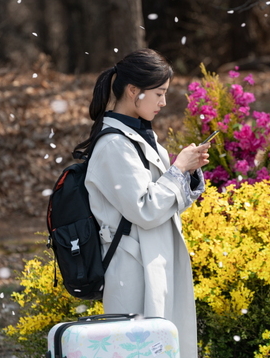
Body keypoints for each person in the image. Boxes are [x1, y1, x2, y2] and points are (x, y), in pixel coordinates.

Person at [74, 48, 210, 357]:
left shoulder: (140, 136)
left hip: (153, 259)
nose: (163, 102)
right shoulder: (112, 145)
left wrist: (186, 171)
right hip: (133, 268)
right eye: (159, 94)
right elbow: (146, 210)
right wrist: (177, 169)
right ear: (134, 91)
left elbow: (162, 204)